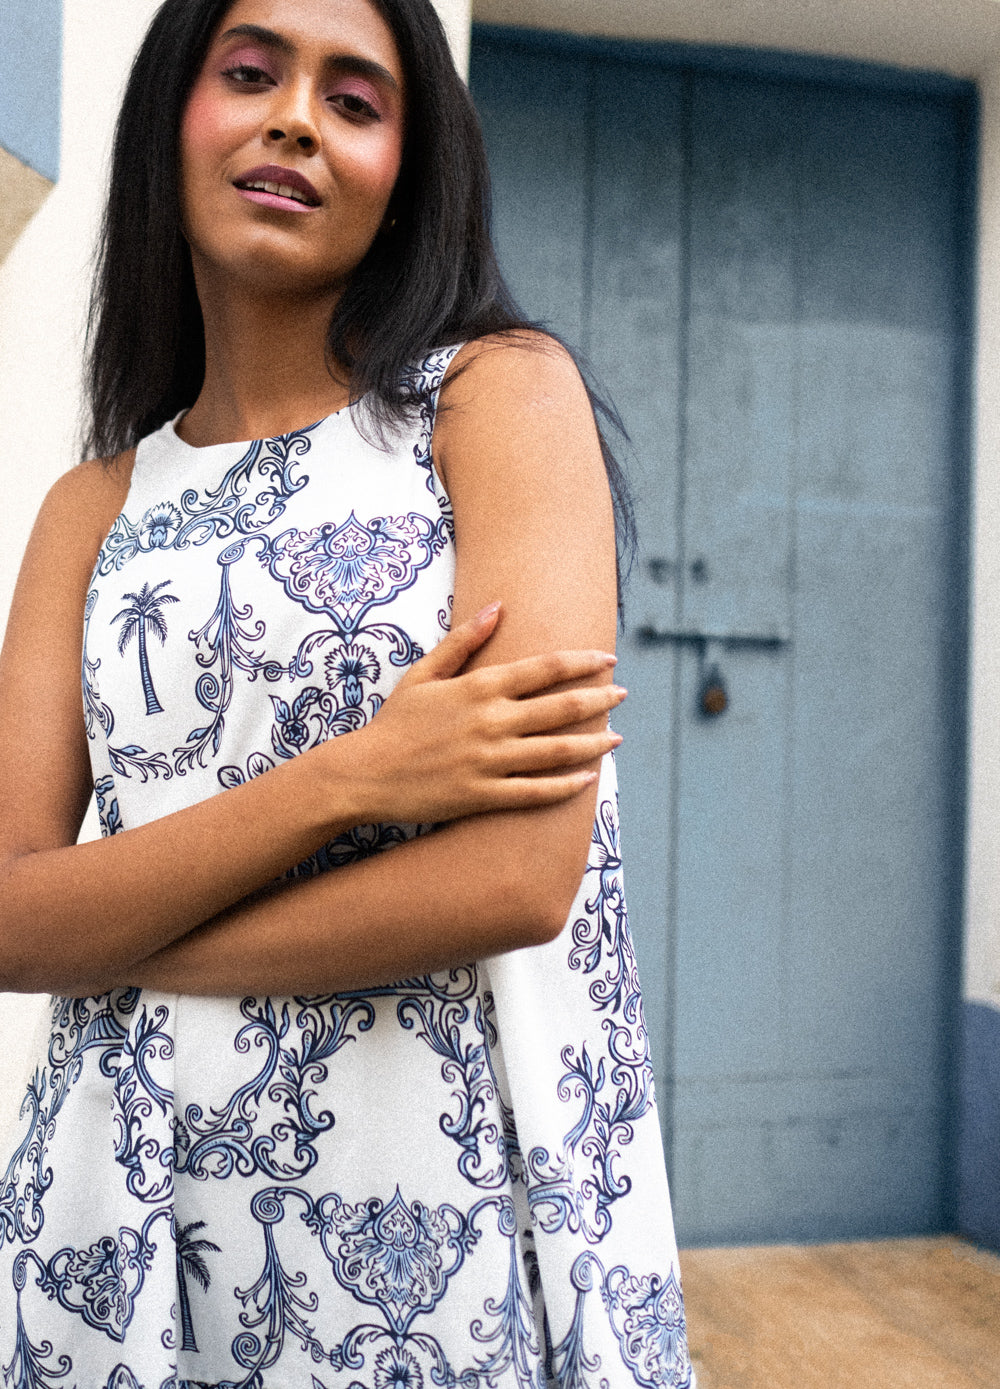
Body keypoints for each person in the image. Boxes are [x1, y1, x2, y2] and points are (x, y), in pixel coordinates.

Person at [0, 0, 694, 1384]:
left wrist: (120, 944)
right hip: (126, 1210)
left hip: (433, 1211)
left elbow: (516, 874)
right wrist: (359, 778)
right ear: (170, 126)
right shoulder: (94, 505)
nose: (298, 118)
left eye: (357, 100)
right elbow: (10, 916)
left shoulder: (495, 399)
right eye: (250, 73)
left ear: (405, 177)